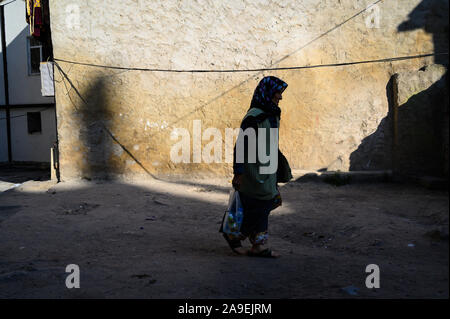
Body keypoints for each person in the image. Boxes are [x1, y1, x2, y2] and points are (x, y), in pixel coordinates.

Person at [223, 76, 288, 258]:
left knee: (264, 202)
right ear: (267, 93)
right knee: (261, 202)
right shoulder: (253, 117)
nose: (280, 97)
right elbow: (241, 145)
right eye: (277, 93)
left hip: (267, 170)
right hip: (253, 172)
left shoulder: (271, 113)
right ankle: (244, 239)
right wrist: (239, 172)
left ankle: (248, 240)